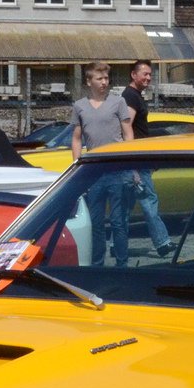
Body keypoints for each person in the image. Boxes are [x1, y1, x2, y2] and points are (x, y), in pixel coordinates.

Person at [68, 61, 134, 265]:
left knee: (118, 222)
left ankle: (122, 265)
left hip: (116, 169)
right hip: (93, 172)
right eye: (99, 78)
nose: (104, 82)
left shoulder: (118, 102)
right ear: (89, 81)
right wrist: (77, 166)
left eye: (106, 78)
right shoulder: (80, 106)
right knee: (96, 223)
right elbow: (77, 138)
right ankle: (97, 265)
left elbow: (127, 132)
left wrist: (131, 162)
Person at [118, 60, 173, 254]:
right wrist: (132, 162)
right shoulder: (130, 97)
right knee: (148, 200)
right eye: (145, 74)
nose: (148, 78)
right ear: (134, 75)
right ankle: (163, 243)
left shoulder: (135, 96)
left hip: (137, 159)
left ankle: (118, 247)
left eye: (150, 74)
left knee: (125, 206)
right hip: (135, 159)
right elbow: (126, 126)